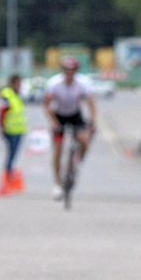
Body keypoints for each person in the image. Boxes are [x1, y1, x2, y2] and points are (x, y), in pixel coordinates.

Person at [43, 57, 96, 200]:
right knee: (58, 150)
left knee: (85, 140)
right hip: (59, 115)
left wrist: (92, 121)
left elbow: (91, 102)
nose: (69, 74)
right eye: (66, 71)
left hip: (74, 115)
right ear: (63, 71)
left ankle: (77, 160)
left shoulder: (82, 83)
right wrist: (53, 122)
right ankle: (57, 183)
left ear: (76, 71)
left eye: (72, 71)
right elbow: (46, 105)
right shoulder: (54, 83)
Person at [0, 74, 28, 184]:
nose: (20, 85)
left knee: (14, 154)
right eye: (18, 83)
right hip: (10, 130)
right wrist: (1, 127)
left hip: (19, 129)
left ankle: (9, 174)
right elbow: (2, 112)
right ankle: (7, 175)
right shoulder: (7, 95)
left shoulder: (17, 95)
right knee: (11, 153)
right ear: (13, 83)